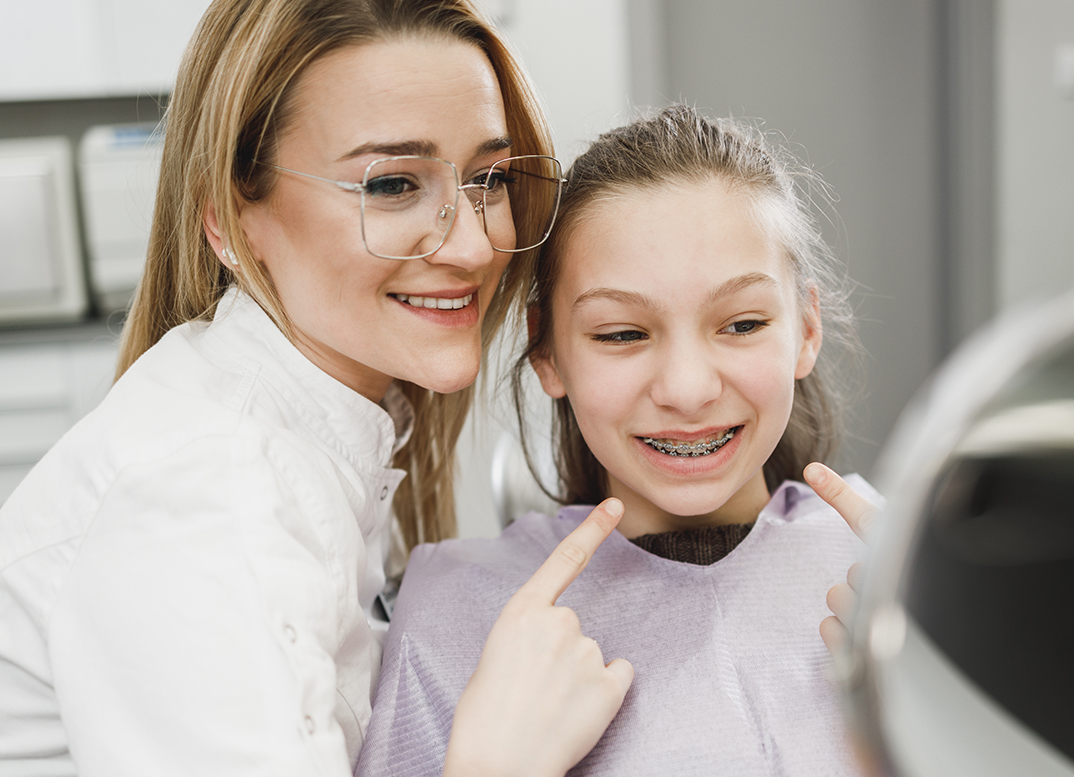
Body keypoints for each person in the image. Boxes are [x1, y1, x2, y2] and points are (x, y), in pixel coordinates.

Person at [0, 0, 631, 775]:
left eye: (490, 178)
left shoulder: (318, 422)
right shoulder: (205, 497)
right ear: (230, 220)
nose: (472, 245)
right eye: (392, 184)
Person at [357, 105, 877, 776]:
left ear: (805, 331)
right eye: (623, 334)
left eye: (742, 324)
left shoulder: (901, 580)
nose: (687, 390)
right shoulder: (455, 615)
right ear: (547, 352)